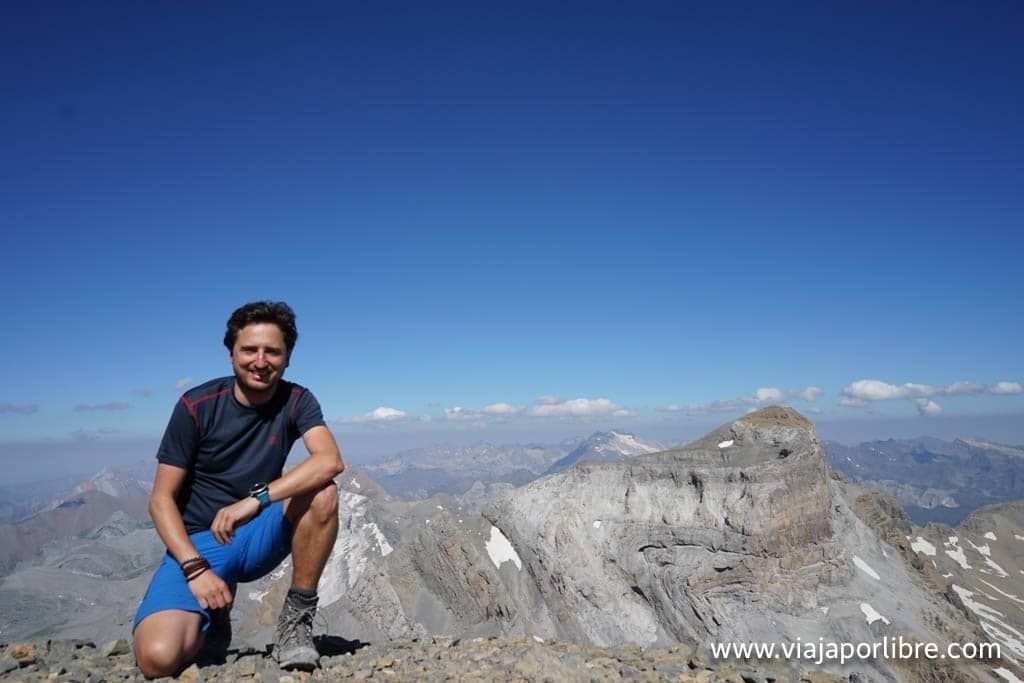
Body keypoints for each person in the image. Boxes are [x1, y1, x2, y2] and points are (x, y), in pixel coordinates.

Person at [132, 301, 345, 678]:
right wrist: (195, 568)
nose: (260, 361)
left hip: (261, 529)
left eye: (272, 351)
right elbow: (160, 499)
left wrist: (256, 500)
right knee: (157, 659)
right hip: (201, 543)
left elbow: (329, 460)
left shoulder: (297, 400)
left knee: (323, 492)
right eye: (250, 350)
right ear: (231, 354)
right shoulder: (197, 405)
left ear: (287, 357)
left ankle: (295, 623)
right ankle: (213, 619)